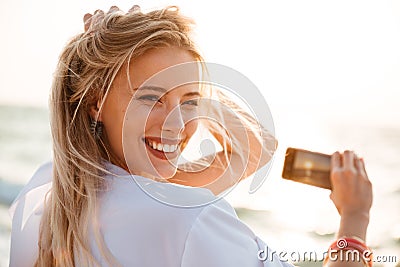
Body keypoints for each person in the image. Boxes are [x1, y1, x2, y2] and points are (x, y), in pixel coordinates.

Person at [9, 5, 373, 267]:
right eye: (151, 97)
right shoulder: (191, 222)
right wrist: (355, 218)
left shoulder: (43, 193)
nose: (176, 125)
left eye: (191, 103)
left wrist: (179, 93)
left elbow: (253, 152)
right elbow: (250, 152)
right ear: (95, 103)